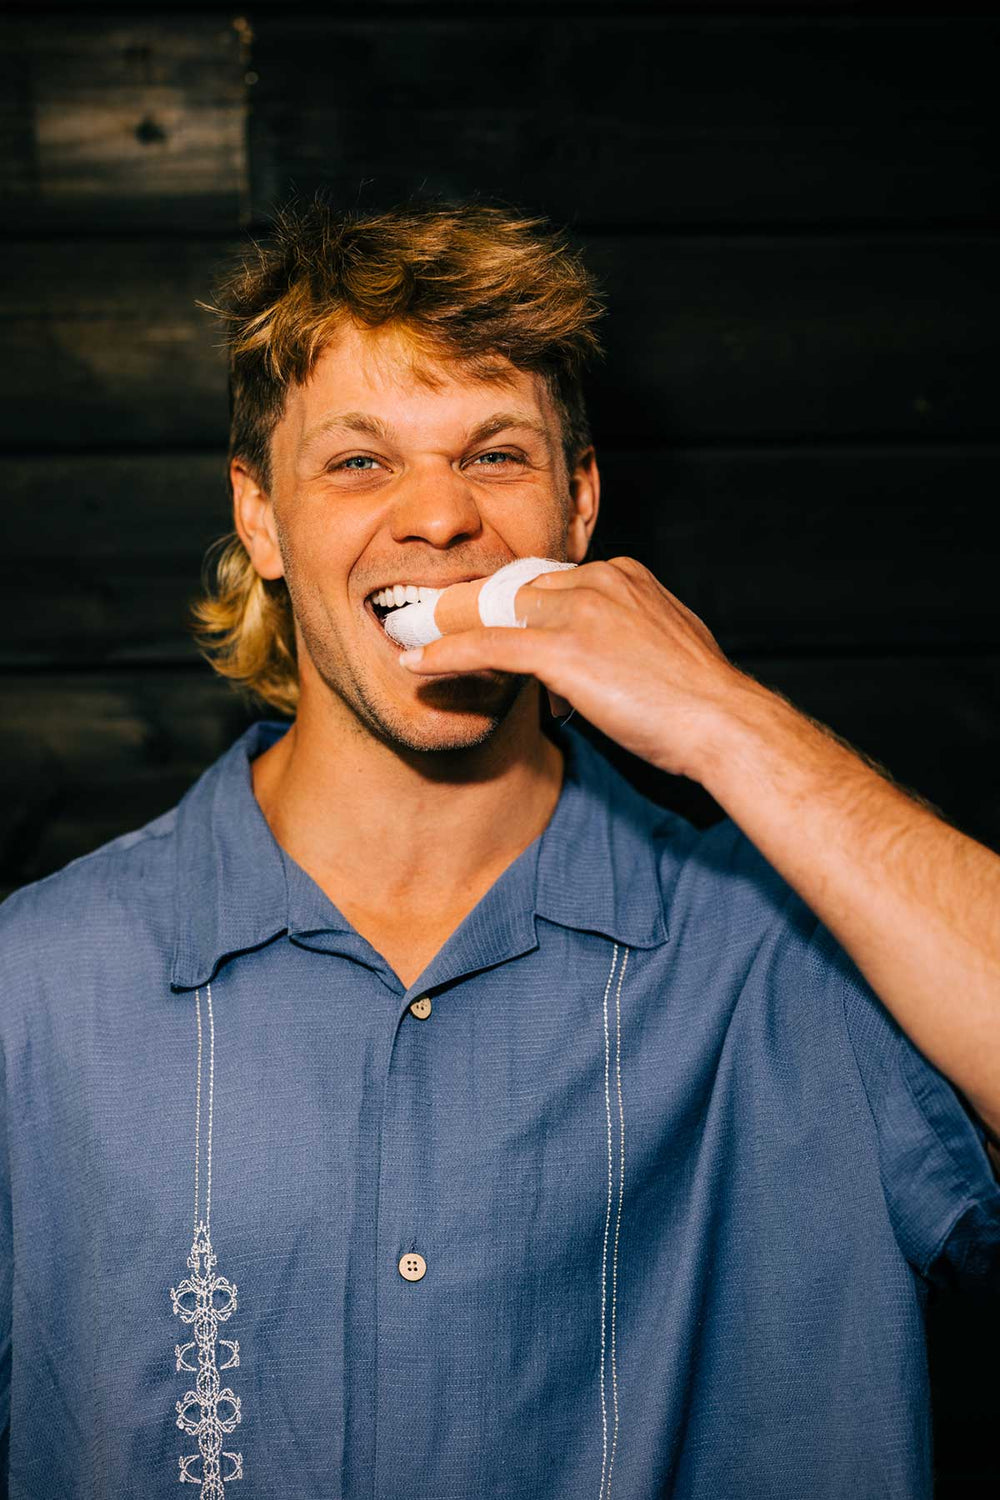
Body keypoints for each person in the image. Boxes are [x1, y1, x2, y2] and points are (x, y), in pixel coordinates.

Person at [1, 197, 998, 1500]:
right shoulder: (34, 992)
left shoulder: (802, 964)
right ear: (259, 518)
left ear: (579, 509)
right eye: (360, 461)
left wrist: (730, 724)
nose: (438, 519)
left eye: (494, 456)